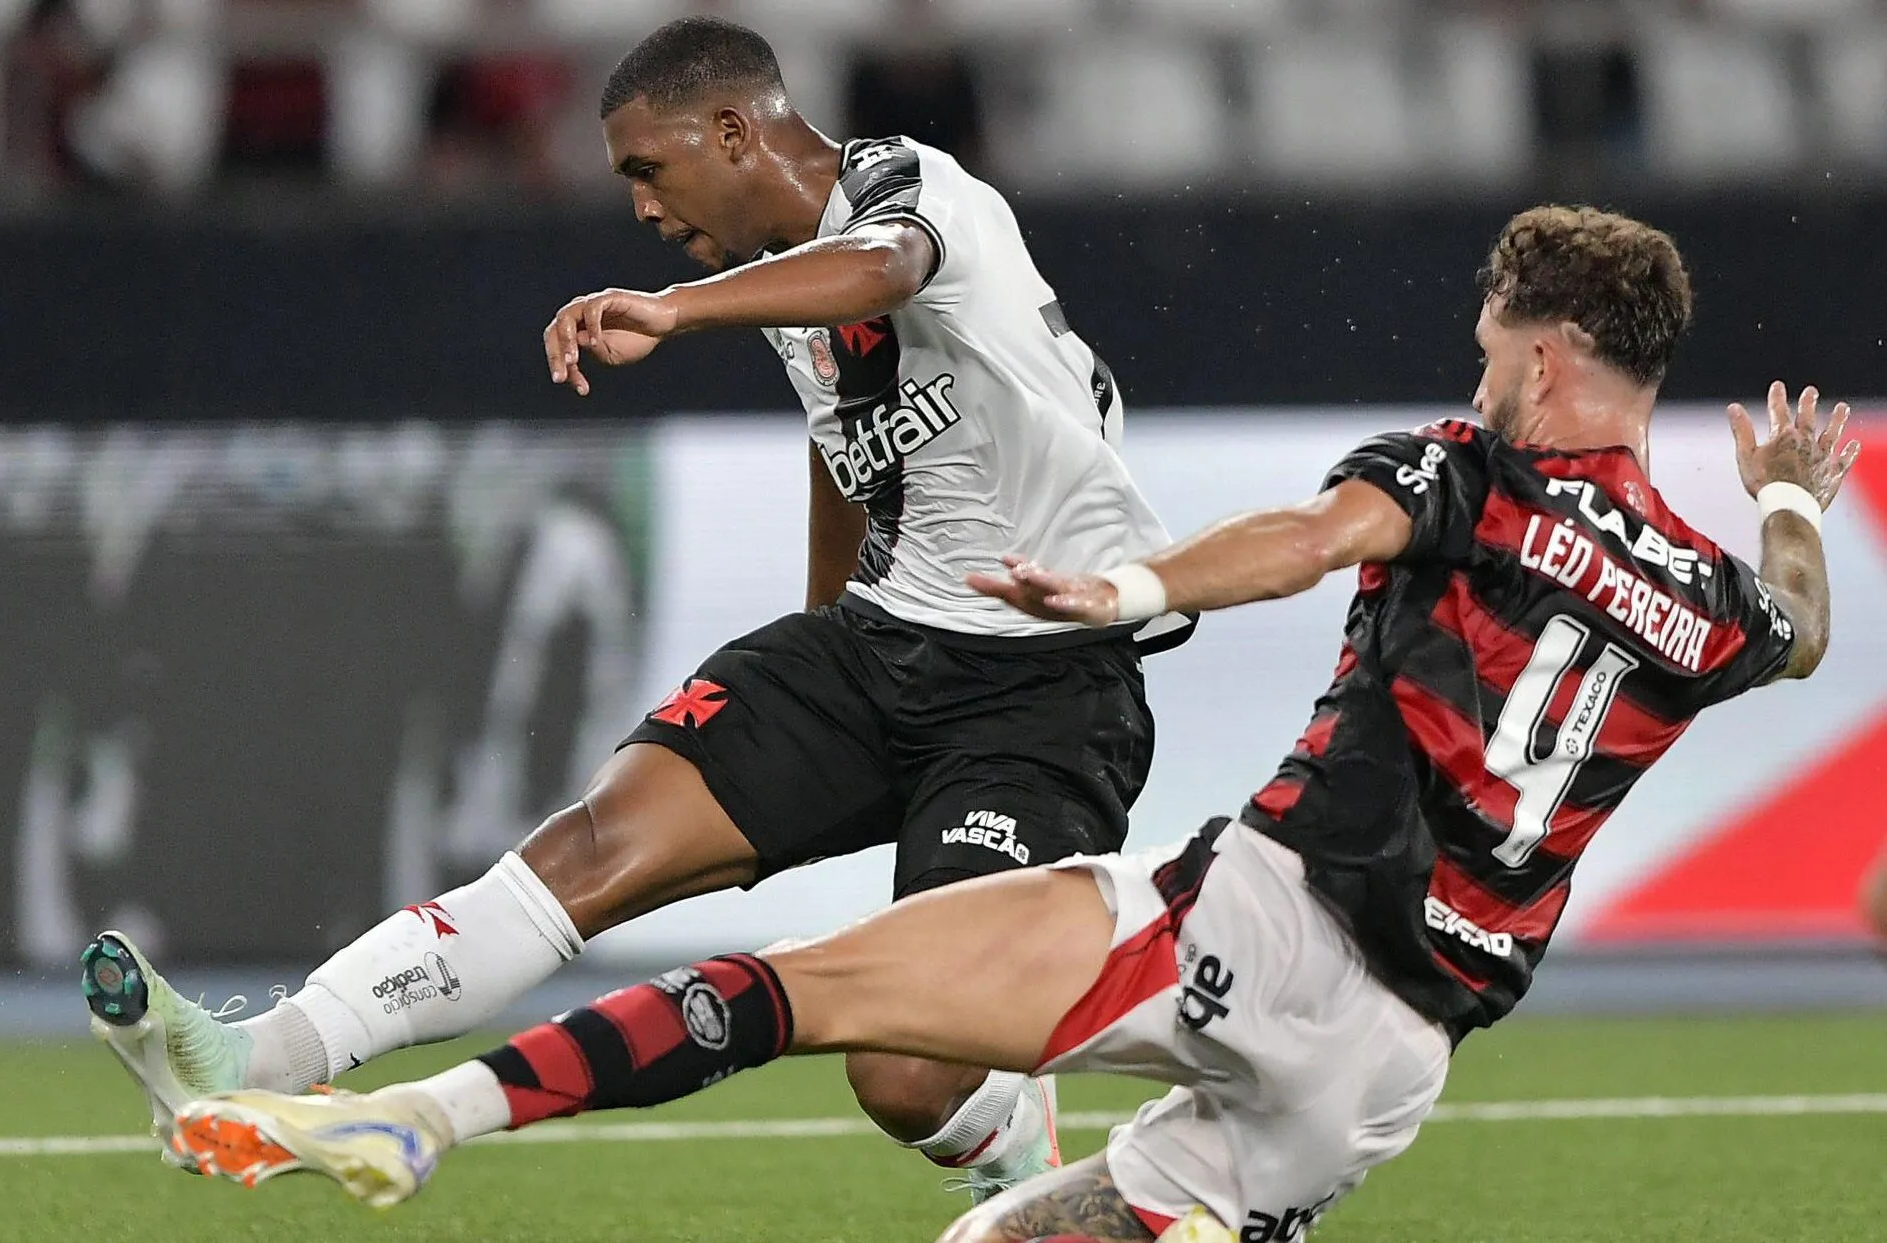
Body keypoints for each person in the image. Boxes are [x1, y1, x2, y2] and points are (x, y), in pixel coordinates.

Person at [157, 207, 1856, 1243]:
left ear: (1545, 360)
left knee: (793, 987)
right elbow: (1797, 632)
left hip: (1253, 927)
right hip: (1383, 1071)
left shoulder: (1468, 469)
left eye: (1494, 349)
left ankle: (420, 1115)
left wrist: (1127, 591)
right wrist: (1784, 494)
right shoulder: (1702, 591)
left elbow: (1306, 537)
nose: (1478, 370)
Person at [80, 15, 1187, 1200]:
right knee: (592, 845)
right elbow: (848, 448)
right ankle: (259, 1053)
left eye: (648, 171)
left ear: (731, 129)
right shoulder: (789, 298)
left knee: (904, 1074)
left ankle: (1015, 1141)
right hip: (876, 652)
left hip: (1042, 686)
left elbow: (884, 269)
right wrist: (821, 636)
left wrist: (673, 309)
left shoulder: (917, 188)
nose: (646, 210)